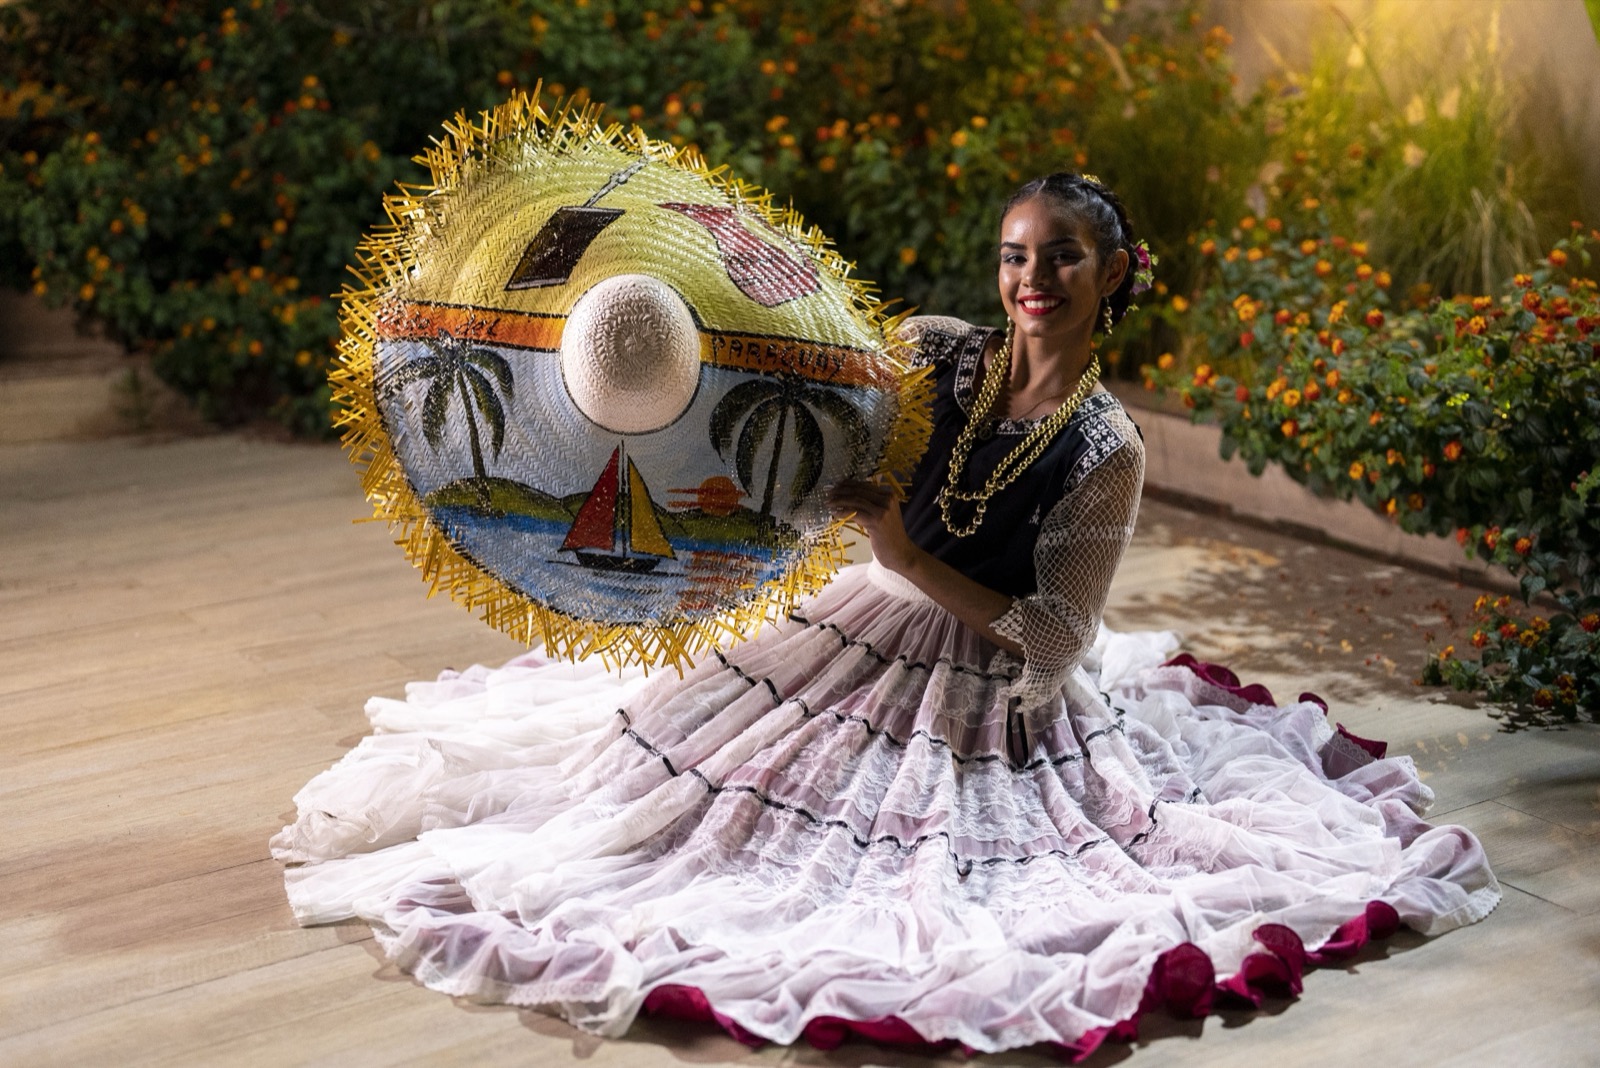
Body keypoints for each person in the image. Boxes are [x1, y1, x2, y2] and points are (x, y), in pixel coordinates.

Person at [273, 172, 1499, 1058]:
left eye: (1063, 256)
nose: (1032, 279)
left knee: (889, 858)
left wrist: (908, 552)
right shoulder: (932, 349)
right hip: (855, 614)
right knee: (674, 780)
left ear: (1113, 273)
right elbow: (803, 442)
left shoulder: (1106, 447)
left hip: (977, 667)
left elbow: (1054, 643)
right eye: (1018, 254)